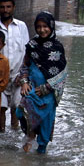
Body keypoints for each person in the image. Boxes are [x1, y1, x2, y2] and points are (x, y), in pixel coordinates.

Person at [17, 11, 67, 154]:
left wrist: (46, 88)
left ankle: (41, 156)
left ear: (51, 26)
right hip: (32, 89)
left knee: (45, 126)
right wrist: (24, 82)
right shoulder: (32, 45)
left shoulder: (57, 47)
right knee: (21, 112)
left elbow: (62, 74)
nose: (42, 30)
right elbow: (25, 66)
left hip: (48, 95)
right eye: (38, 27)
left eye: (45, 26)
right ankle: (29, 142)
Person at [0, 0, 29, 132]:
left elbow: (27, 53)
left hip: (18, 76)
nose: (5, 10)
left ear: (13, 7)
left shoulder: (21, 26)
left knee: (17, 109)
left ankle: (14, 136)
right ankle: (2, 136)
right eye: (2, 7)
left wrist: (23, 76)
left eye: (8, 7)